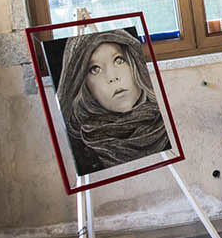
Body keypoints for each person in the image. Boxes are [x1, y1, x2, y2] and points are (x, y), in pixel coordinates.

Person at [55, 29, 170, 175]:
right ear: (83, 85)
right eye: (95, 69)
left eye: (118, 60)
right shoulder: (82, 151)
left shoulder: (162, 126)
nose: (112, 77)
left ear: (134, 63)